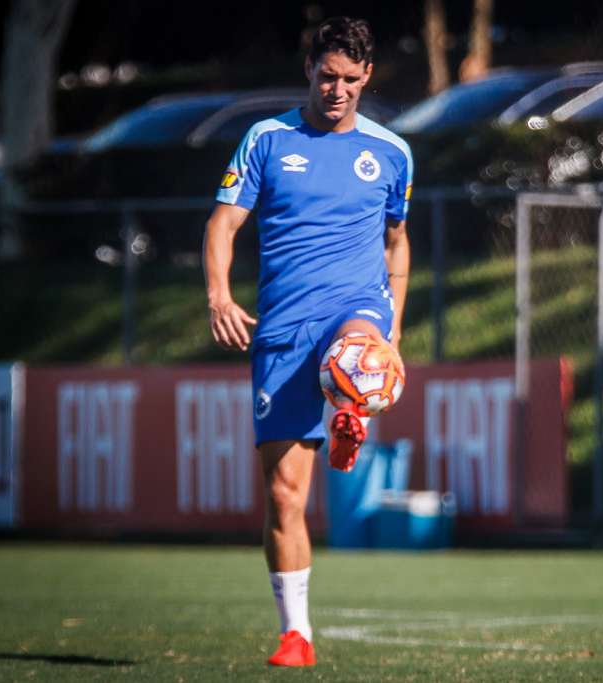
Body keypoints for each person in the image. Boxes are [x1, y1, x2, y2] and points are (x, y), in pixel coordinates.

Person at [202, 17, 411, 667]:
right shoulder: (266, 140)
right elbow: (223, 223)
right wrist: (219, 296)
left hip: (356, 309)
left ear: (367, 76)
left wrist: (393, 327)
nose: (337, 90)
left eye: (350, 79)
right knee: (285, 496)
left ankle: (353, 404)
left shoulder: (392, 152)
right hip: (283, 329)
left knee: (358, 353)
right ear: (308, 70)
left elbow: (397, 243)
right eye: (327, 76)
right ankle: (297, 633)